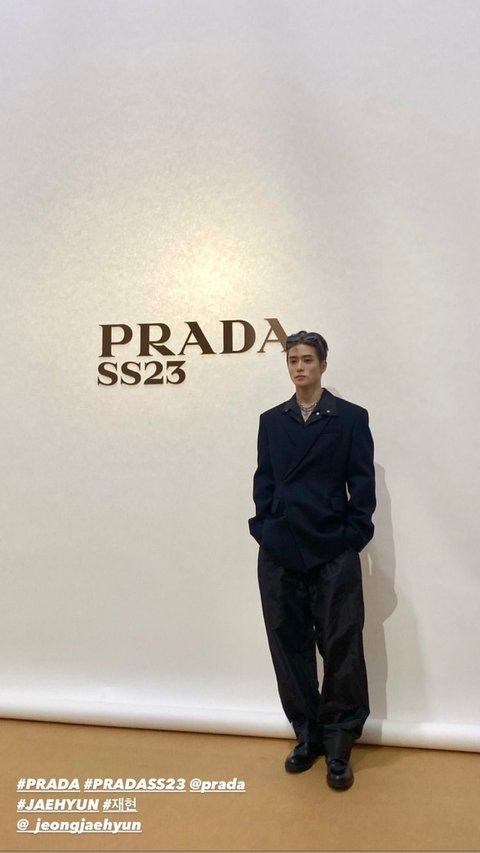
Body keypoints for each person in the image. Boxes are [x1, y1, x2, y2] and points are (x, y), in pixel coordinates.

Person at [249, 331, 376, 790]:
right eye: (292, 360)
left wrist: (350, 538)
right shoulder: (271, 421)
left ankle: (339, 741)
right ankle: (308, 735)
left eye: (307, 360)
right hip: (280, 549)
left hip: (331, 549)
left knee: (342, 644)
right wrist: (265, 528)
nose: (299, 367)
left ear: (323, 365)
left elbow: (362, 487)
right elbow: (264, 481)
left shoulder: (350, 418)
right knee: (288, 644)